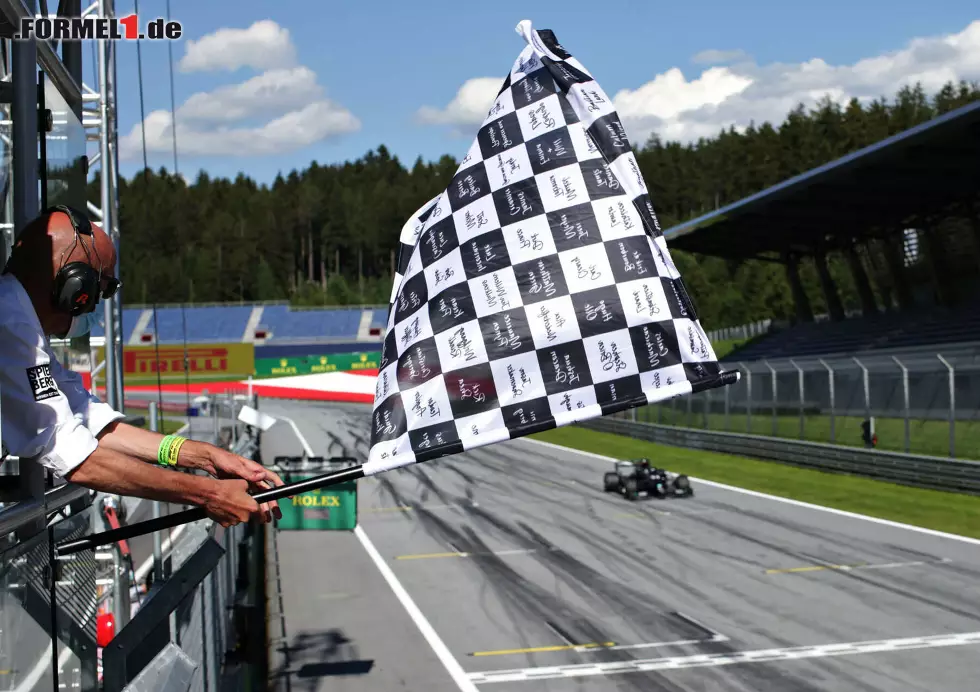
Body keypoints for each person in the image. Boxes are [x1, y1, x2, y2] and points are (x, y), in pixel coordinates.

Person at [0, 205, 283, 527]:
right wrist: (209, 494)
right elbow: (73, 454)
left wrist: (205, 456)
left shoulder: (18, 321)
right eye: (101, 289)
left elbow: (88, 418)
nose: (96, 304)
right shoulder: (8, 323)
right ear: (75, 288)